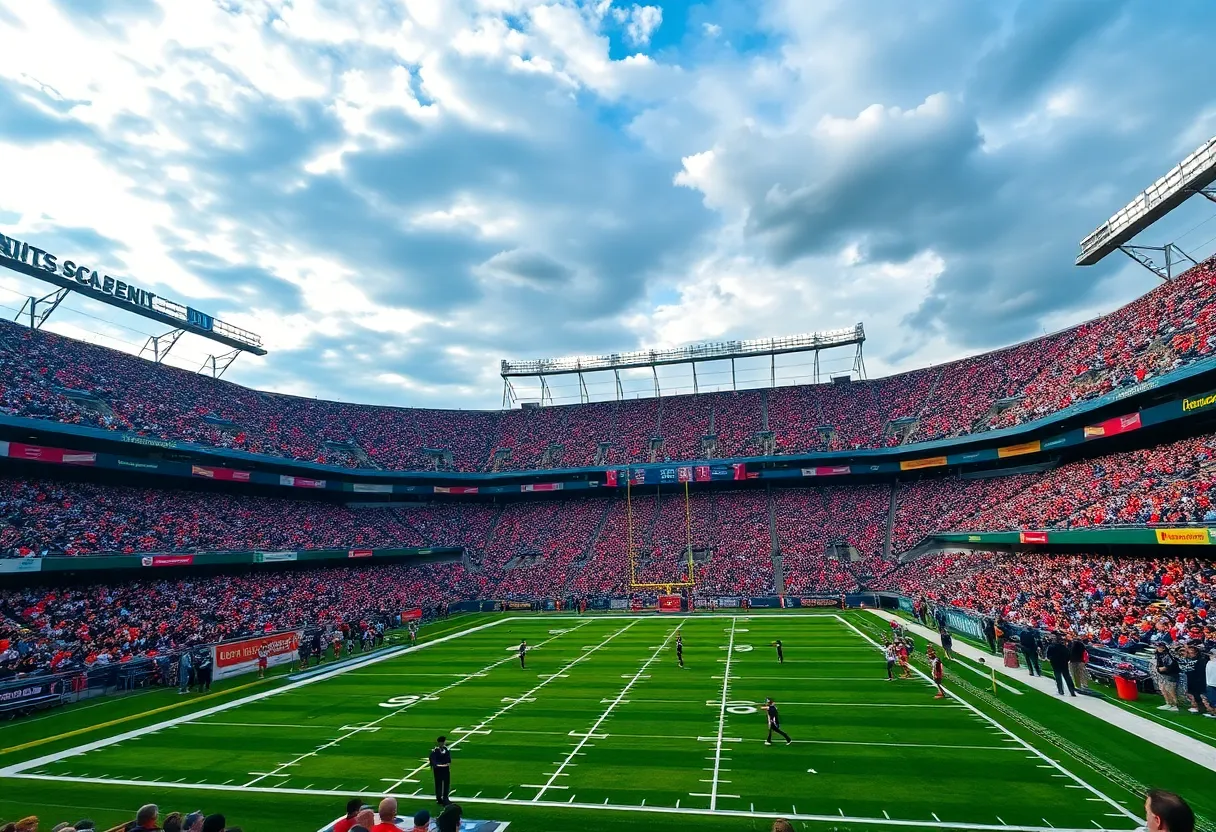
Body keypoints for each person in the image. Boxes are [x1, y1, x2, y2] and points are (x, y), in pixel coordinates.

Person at [1152, 643, 1181, 710]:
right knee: (1163, 689)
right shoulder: (1158, 654)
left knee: (1170, 690)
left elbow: (1173, 664)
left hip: (1171, 674)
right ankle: (1168, 703)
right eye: (1158, 647)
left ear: (1164, 648)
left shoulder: (1168, 655)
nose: (1158, 648)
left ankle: (1175, 705)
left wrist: (1165, 668)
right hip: (1163, 674)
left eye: (1160, 647)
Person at [430, 734, 453, 805]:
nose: (443, 743)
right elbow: (433, 761)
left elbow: (449, 760)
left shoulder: (446, 750)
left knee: (446, 784)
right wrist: (439, 765)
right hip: (438, 771)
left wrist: (446, 764)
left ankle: (445, 798)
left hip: (445, 770)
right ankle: (439, 798)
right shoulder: (435, 751)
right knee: (438, 784)